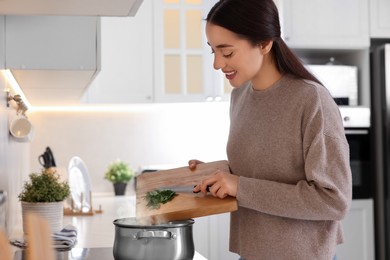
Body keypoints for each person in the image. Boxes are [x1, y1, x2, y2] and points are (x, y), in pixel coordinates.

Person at [189, 0, 352, 259]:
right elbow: (262, 171)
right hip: (252, 251)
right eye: (213, 52)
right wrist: (218, 175)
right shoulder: (240, 95)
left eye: (227, 52)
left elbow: (333, 200)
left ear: (264, 43)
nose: (217, 64)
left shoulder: (311, 100)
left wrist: (240, 187)